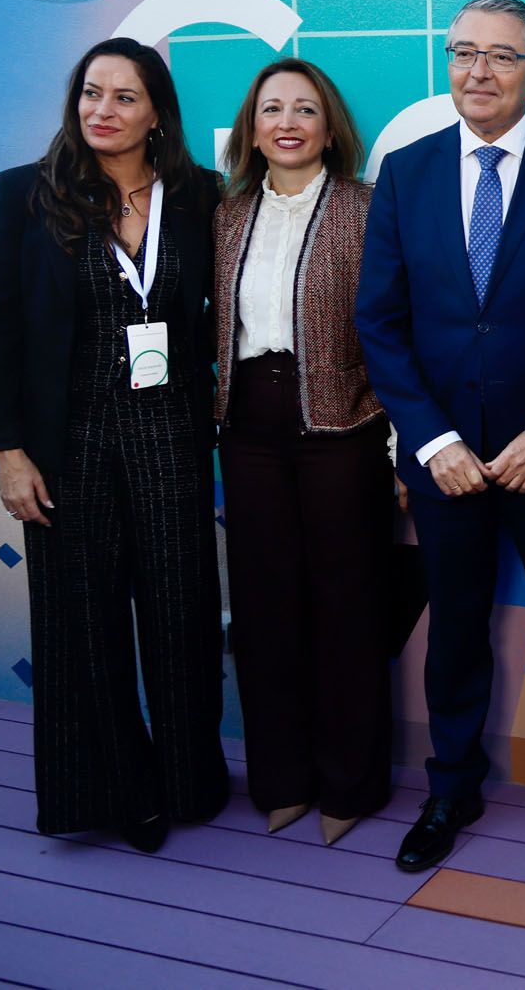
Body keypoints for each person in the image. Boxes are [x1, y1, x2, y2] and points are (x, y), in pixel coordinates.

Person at [355, 0, 525, 877]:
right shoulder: (408, 173)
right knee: (456, 632)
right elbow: (381, 324)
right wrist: (432, 442)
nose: (478, 71)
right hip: (447, 465)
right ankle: (450, 789)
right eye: (463, 52)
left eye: (501, 56)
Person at [0, 37, 229, 853]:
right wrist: (8, 451)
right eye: (90, 92)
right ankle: (119, 789)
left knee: (182, 616)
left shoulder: (201, 196)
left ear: (157, 114)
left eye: (123, 96)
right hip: (65, 440)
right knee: (82, 624)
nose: (101, 110)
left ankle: (190, 777)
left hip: (174, 433)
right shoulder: (25, 194)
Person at [213, 58, 392, 845]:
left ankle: (351, 784)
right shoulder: (223, 214)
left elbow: (396, 330)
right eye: (271, 108)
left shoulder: (367, 208)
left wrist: (396, 443)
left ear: (330, 126)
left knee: (345, 610)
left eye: (305, 109)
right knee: (262, 610)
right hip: (246, 427)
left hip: (344, 430)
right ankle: (281, 779)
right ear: (252, 127)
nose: (287, 122)